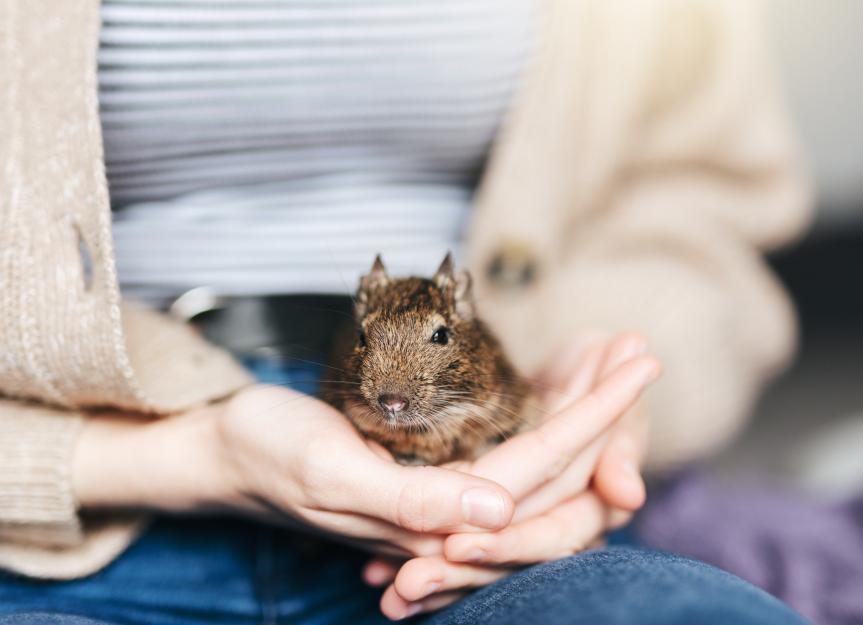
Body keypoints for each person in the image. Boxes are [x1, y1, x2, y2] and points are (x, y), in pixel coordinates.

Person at [0, 0, 812, 623]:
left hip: (493, 523)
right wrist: (172, 454)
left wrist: (601, 405)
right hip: (80, 504)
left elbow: (696, 196)